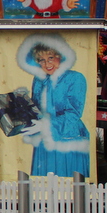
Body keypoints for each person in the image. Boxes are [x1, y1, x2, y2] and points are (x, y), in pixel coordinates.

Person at [15, 34, 90, 178]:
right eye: (41, 60)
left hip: (68, 138)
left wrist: (46, 126)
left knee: (69, 188)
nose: (47, 64)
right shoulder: (39, 80)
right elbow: (35, 110)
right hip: (44, 140)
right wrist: (21, 104)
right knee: (43, 188)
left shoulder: (76, 78)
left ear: (60, 56)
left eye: (50, 58)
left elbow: (73, 114)